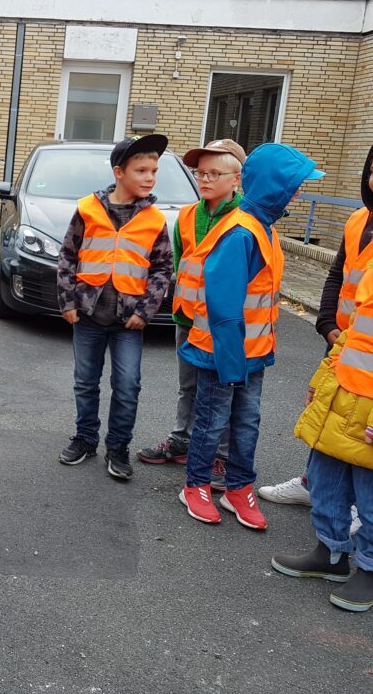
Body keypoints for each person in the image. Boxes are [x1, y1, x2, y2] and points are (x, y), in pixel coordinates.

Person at [272, 161, 373, 612]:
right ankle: (331, 552)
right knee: (327, 482)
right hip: (344, 400)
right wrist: (323, 381)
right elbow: (353, 335)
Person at [259, 132, 373, 509]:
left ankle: (360, 507)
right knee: (329, 421)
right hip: (346, 340)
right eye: (372, 171)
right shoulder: (359, 220)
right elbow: (338, 274)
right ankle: (313, 484)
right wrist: (327, 322)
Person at [178, 143, 324, 529]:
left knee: (247, 422)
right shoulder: (242, 233)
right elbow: (223, 309)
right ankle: (196, 485)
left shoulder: (261, 228)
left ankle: (239, 486)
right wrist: (231, 365)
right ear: (276, 186)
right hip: (222, 355)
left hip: (250, 352)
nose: (299, 193)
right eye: (295, 185)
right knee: (212, 422)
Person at [57, 135, 173, 480]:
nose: (150, 177)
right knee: (85, 382)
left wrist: (144, 311)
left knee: (127, 385)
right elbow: (68, 256)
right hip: (88, 315)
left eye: (154, 170)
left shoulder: (154, 219)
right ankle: (85, 438)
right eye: (142, 170)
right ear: (119, 172)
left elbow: (162, 269)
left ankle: (118, 447)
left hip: (128, 321)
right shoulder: (88, 209)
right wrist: (68, 301)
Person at [137, 138, 245, 491]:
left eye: (215, 173)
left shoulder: (245, 220)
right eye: (201, 173)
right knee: (189, 386)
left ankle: (221, 455)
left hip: (224, 325)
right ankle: (182, 438)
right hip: (187, 318)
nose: (205, 179)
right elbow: (181, 265)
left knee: (224, 390)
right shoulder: (186, 215)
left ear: (236, 179)